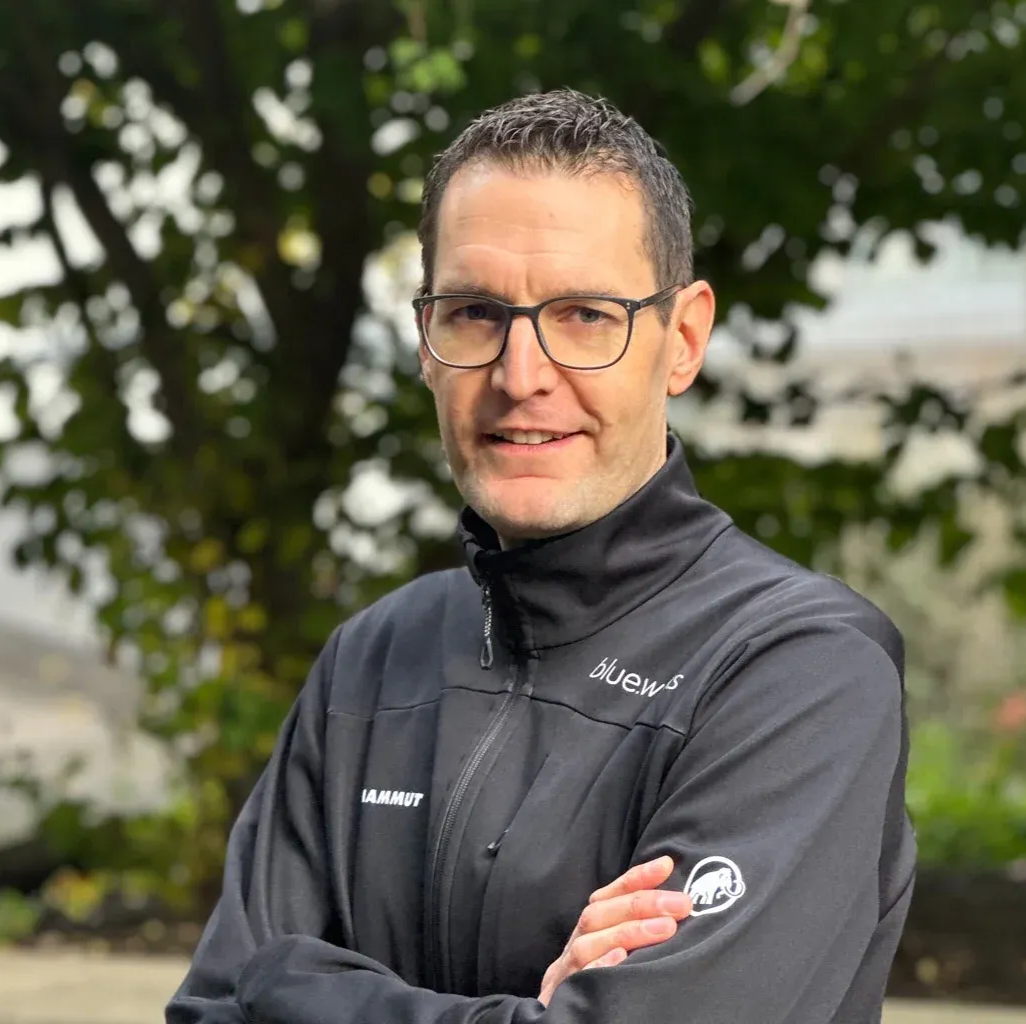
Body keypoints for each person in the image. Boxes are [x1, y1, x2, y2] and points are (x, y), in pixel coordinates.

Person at [167, 88, 915, 1024]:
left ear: (682, 340)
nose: (521, 377)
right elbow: (212, 1011)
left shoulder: (796, 669)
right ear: (426, 341)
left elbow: (253, 992)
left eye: (585, 316)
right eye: (476, 313)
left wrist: (294, 990)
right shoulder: (374, 659)